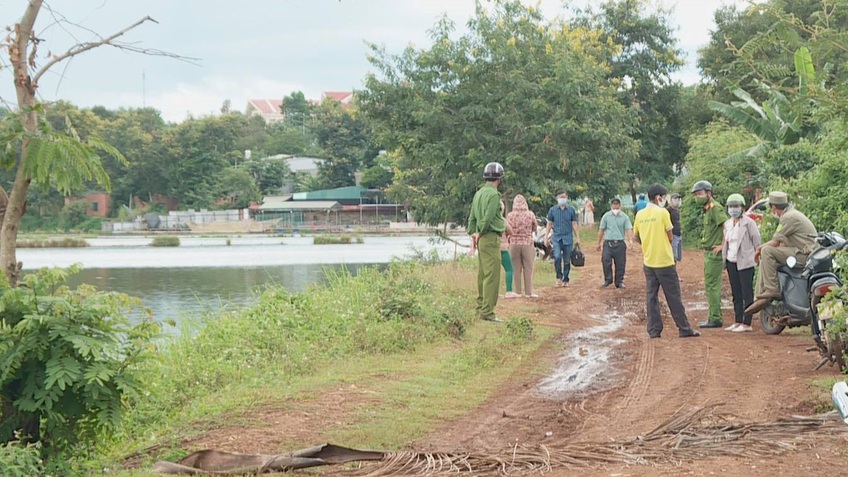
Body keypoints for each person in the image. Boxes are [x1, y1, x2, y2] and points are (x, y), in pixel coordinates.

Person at [633, 183, 700, 339]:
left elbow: (637, 237)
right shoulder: (663, 213)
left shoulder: (639, 215)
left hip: (648, 261)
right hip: (664, 261)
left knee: (651, 297)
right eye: (664, 197)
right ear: (659, 198)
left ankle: (654, 330)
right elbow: (671, 236)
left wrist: (648, 243)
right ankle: (684, 328)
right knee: (673, 296)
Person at [745, 191, 818, 315]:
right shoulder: (793, 214)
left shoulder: (788, 217)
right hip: (803, 252)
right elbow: (782, 242)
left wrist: (758, 250)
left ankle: (771, 290)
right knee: (768, 257)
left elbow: (774, 242)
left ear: (773, 207)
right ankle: (760, 295)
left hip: (803, 254)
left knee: (767, 251)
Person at [467, 162, 506, 322]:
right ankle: (487, 312)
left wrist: (474, 235)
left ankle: (480, 307)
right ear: (499, 178)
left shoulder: (478, 194)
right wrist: (481, 232)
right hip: (490, 237)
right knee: (492, 275)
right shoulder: (494, 195)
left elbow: (472, 218)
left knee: (482, 274)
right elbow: (487, 219)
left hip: (481, 238)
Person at [722, 194, 762, 332]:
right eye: (731, 206)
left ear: (742, 208)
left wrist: (758, 256)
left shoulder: (749, 223)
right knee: (736, 293)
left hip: (746, 262)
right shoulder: (727, 224)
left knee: (747, 293)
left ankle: (747, 322)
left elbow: (757, 241)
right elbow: (726, 243)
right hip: (731, 261)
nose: (733, 209)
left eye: (736, 206)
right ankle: (738, 320)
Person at [691, 180, 728, 329]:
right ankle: (713, 315)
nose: (697, 197)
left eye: (699, 194)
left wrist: (722, 246)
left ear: (709, 193)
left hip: (714, 254)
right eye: (695, 195)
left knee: (713, 286)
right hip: (708, 253)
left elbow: (727, 227)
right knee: (710, 285)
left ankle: (715, 318)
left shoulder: (715, 208)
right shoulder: (707, 209)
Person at [545, 191, 580, 287]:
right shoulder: (552, 210)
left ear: (567, 198)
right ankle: (558, 277)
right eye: (561, 197)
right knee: (557, 257)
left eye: (564, 197)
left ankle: (566, 278)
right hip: (556, 238)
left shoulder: (571, 210)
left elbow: (574, 224)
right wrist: (546, 237)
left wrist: (577, 237)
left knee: (567, 260)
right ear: (557, 198)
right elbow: (549, 224)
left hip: (568, 237)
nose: (562, 199)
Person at [597, 198, 634, 289]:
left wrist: (630, 240)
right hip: (608, 243)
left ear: (620, 206)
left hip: (620, 243)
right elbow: (601, 230)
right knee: (606, 261)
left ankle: (619, 281)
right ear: (611, 206)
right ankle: (608, 279)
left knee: (620, 263)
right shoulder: (606, 216)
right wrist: (598, 242)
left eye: (617, 206)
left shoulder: (624, 217)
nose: (615, 208)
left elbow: (628, 229)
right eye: (614, 206)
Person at [507, 194, 538, 298]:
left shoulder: (510, 215)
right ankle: (529, 293)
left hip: (514, 243)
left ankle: (517, 292)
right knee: (528, 268)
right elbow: (534, 227)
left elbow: (507, 229)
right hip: (527, 243)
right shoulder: (530, 214)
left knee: (516, 269)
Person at [499, 201, 519, 299]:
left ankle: (493, 293)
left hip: (490, 249)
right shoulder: (502, 220)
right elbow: (510, 231)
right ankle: (509, 291)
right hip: (502, 248)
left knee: (493, 271)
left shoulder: (488, 220)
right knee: (509, 269)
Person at [667, 193, 683, 263]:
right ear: (671, 200)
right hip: (672, 235)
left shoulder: (677, 210)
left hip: (678, 233)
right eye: (675, 199)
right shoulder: (667, 210)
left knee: (677, 256)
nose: (677, 200)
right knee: (673, 256)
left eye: (678, 199)